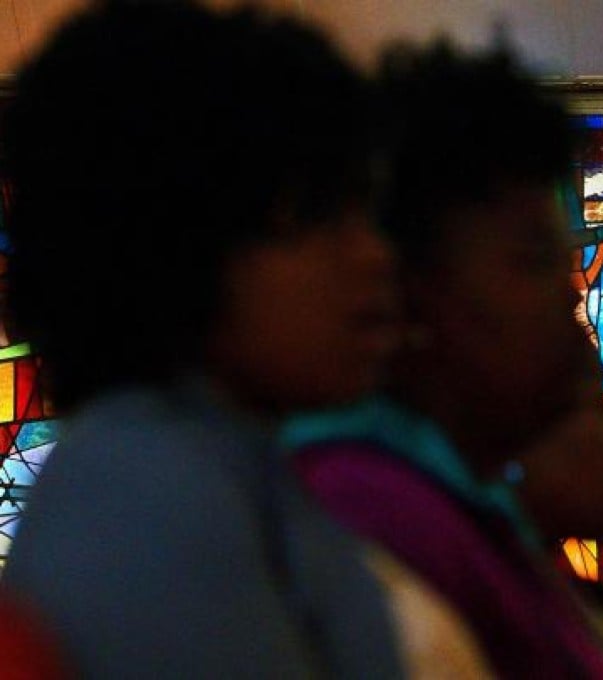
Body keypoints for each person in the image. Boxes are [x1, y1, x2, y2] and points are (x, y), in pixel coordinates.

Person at [0, 3, 490, 676]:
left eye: (363, 211)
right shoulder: (143, 495)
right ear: (170, 241)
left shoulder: (224, 462)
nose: (375, 256)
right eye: (311, 215)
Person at [283, 41, 603, 678]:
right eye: (531, 260)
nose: (565, 297)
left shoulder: (462, 507)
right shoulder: (372, 517)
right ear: (409, 285)